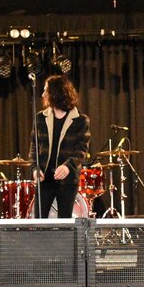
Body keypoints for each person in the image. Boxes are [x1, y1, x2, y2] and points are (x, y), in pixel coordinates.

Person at [29, 75, 90, 218]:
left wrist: (67, 166)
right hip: (45, 179)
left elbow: (82, 150)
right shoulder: (40, 118)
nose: (43, 95)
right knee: (39, 222)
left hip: (67, 180)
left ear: (56, 93)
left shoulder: (81, 120)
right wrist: (35, 169)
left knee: (65, 222)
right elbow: (33, 148)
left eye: (46, 91)